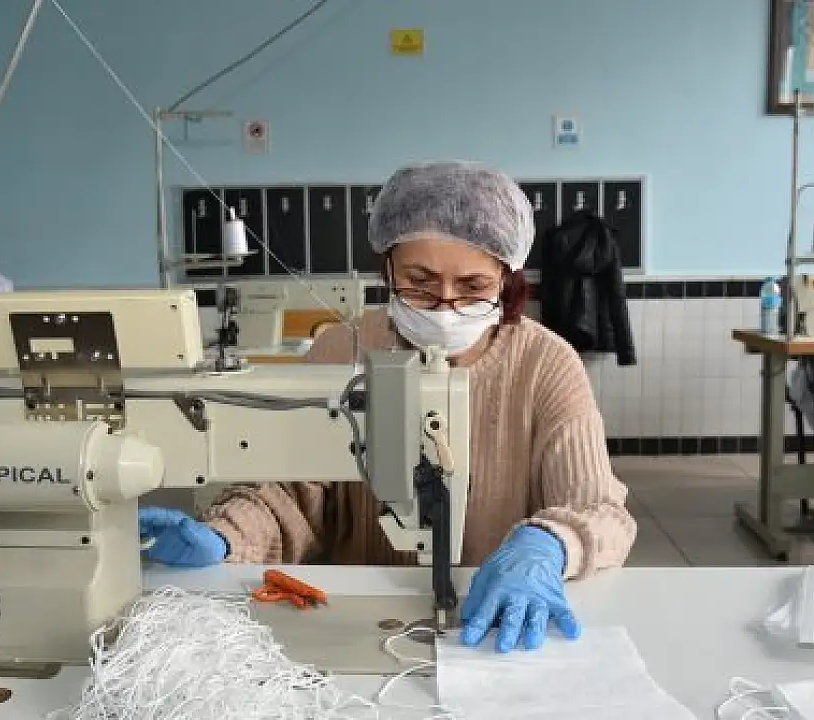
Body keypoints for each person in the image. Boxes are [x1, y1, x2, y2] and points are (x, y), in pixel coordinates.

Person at [139, 160, 638, 653]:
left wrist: (549, 544)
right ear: (388, 267)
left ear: (507, 279)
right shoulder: (342, 350)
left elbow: (599, 510)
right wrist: (227, 535)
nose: (445, 305)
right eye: (420, 281)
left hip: (496, 616)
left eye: (473, 287)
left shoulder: (546, 364)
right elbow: (288, 495)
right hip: (352, 610)